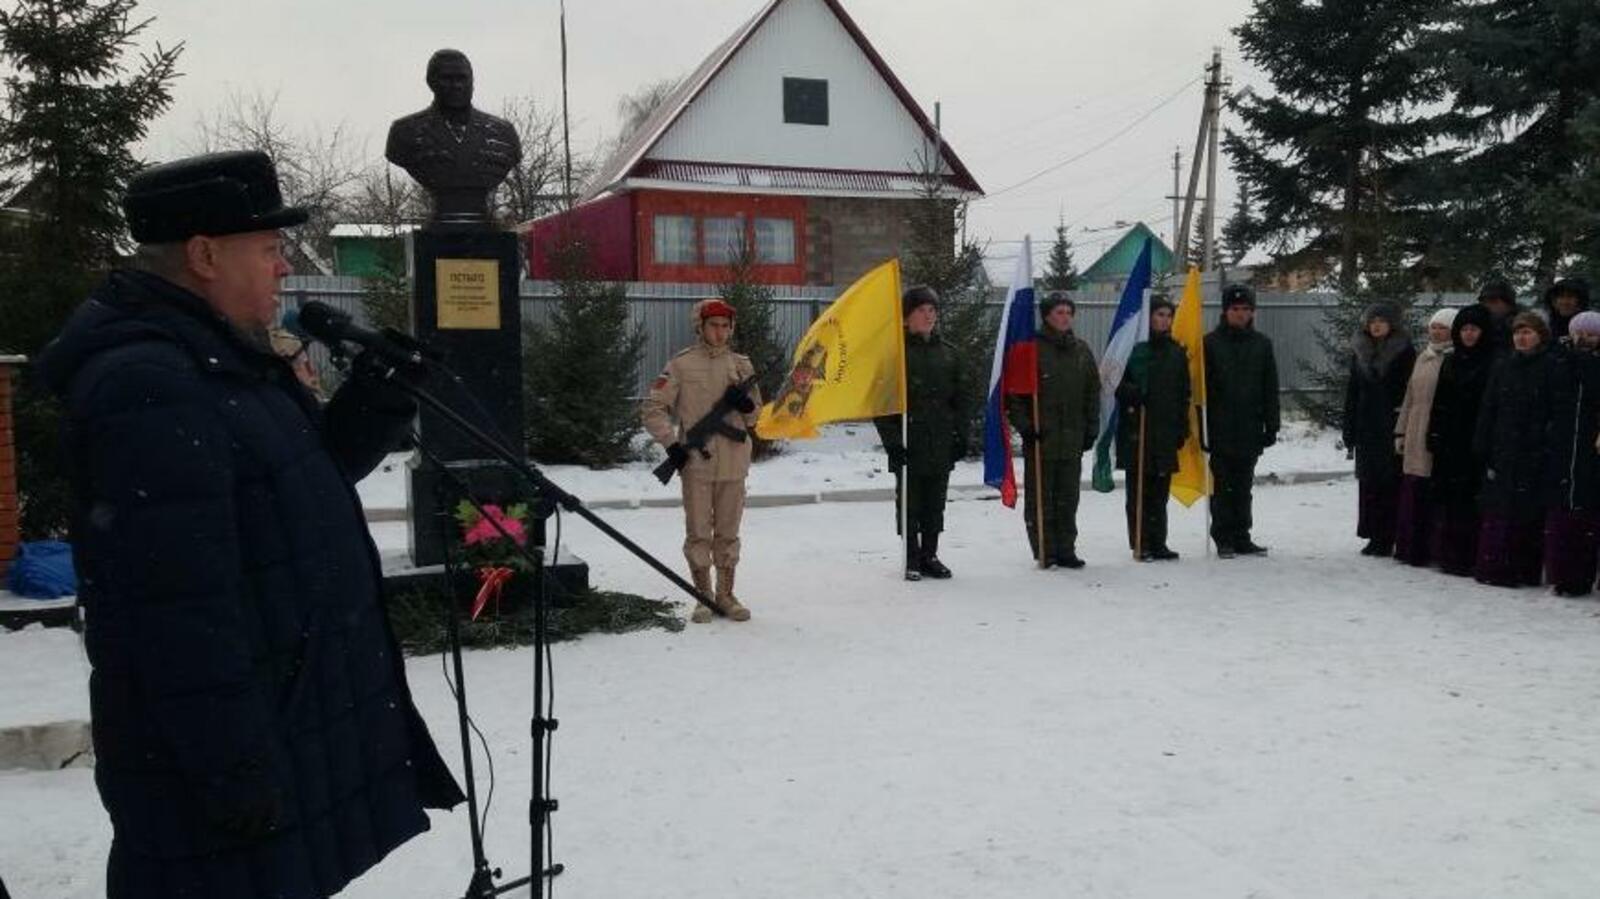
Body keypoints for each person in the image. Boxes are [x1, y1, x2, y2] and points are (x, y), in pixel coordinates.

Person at [37, 151, 464, 899]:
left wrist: (376, 401)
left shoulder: (221, 358)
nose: (281, 269)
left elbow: (298, 482)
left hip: (277, 728)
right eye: (267, 250)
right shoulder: (148, 384)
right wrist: (234, 770)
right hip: (216, 771)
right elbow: (175, 614)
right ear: (203, 254)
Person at [641, 299, 762, 622]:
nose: (720, 332)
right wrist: (671, 444)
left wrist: (747, 406)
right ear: (701, 327)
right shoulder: (681, 365)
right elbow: (653, 408)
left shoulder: (741, 365)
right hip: (696, 461)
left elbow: (757, 418)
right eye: (713, 325)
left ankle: (726, 595)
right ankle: (703, 595)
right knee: (698, 531)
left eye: (725, 326)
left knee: (728, 531)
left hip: (734, 461)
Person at [876, 286, 967, 580]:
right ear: (906, 318)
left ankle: (931, 554)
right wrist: (892, 443)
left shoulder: (950, 354)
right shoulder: (896, 356)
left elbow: (961, 400)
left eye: (932, 311)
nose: (928, 316)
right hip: (909, 440)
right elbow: (882, 404)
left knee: (935, 502)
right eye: (921, 311)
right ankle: (912, 557)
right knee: (910, 502)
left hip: (939, 440)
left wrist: (960, 436)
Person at [1006, 291, 1099, 568]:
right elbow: (1015, 395)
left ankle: (1066, 548)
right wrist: (1026, 427)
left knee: (1068, 497)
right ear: (1047, 315)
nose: (1065, 317)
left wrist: (1090, 428)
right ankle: (1045, 548)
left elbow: (1092, 392)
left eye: (1069, 313)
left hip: (1071, 438)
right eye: (1059, 312)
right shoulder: (1031, 349)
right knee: (1041, 498)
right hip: (1042, 438)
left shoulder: (1081, 351)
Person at [384, 49, 523, 225]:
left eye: (462, 78)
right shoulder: (404, 132)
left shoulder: (504, 133)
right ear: (431, 82)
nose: (456, 85)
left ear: (472, 82)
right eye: (447, 79)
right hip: (438, 227)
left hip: (484, 231)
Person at [1473, 312, 1561, 587]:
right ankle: (1494, 566)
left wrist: (1544, 439)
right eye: (1517, 333)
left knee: (1527, 513)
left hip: (1534, 449)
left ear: (1540, 335)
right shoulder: (1503, 365)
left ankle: (1523, 569)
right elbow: (1489, 407)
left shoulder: (1551, 365)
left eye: (1527, 332)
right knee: (1498, 511)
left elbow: (1555, 409)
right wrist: (1483, 442)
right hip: (1502, 446)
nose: (1521, 338)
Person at [1203, 283, 1280, 557]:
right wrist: (1202, 429)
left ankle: (1242, 535)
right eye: (1236, 309)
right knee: (1222, 486)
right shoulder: (1210, 344)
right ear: (1225, 311)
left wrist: (1272, 424)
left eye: (1246, 309)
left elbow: (1270, 386)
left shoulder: (1261, 344)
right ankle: (1223, 537)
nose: (1241, 314)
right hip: (1220, 428)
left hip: (1249, 427)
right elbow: (1201, 390)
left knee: (1244, 486)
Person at [1115, 296, 1190, 561]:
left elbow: (1184, 393)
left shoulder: (1176, 352)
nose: (1165, 320)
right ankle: (1140, 541)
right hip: (1138, 430)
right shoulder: (1133, 350)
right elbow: (1112, 381)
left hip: (1165, 432)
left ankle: (1159, 541)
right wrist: (1131, 392)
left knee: (1160, 493)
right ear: (1148, 317)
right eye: (1159, 314)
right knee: (1139, 492)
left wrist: (1183, 427)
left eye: (1169, 315)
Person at [1426, 304, 1495, 576]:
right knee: (1450, 502)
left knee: (1472, 502)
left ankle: (1471, 555)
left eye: (1474, 329)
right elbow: (1440, 400)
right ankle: (1450, 555)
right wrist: (1433, 432)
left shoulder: (1493, 361)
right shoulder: (1452, 361)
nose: (1468, 334)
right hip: (1450, 440)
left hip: (1477, 439)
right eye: (1464, 329)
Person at [1343, 303, 1417, 557]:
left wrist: (1403, 423)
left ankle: (1390, 534)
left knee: (1391, 482)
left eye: (1381, 321)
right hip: (1366, 426)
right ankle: (1374, 534)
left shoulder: (1405, 352)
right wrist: (1349, 427)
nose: (1375, 325)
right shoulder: (1360, 351)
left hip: (1392, 424)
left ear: (1391, 324)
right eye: (1371, 321)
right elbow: (1353, 392)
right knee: (1369, 483)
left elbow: (1410, 391)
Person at [1392, 308, 1456, 566]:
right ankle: (1409, 546)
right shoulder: (1423, 357)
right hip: (1415, 429)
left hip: (1436, 430)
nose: (1437, 332)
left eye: (1443, 328)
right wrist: (1401, 430)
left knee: (1431, 491)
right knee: (1412, 490)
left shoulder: (1452, 359)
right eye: (1434, 327)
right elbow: (1409, 397)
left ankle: (1430, 548)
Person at [1542, 310, 1600, 596]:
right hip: (1561, 445)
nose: (1586, 339)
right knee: (1561, 512)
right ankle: (1560, 573)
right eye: (1581, 333)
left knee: (1586, 513)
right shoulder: (1558, 360)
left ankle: (1582, 576)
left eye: (1592, 334)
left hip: (1591, 448)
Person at [1476, 278, 1521, 355]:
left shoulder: (1522, 329)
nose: (1487, 306)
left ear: (1509, 304)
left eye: (1493, 302)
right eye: (1484, 302)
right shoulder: (1477, 327)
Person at [1539, 277, 1592, 342]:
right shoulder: (1545, 325)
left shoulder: (1590, 323)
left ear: (1580, 301)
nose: (1565, 302)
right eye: (1561, 297)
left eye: (1570, 297)